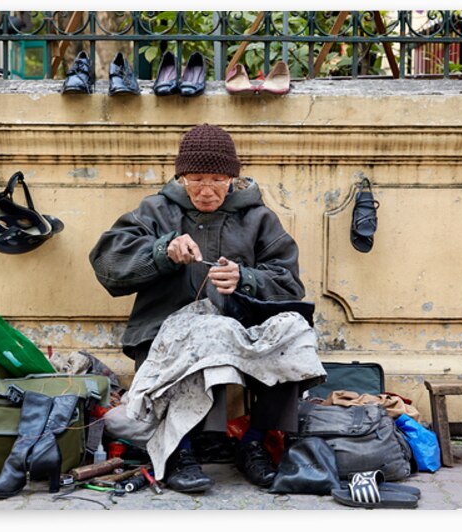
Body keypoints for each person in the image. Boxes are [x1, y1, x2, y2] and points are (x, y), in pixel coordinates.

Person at [89, 124, 312, 493]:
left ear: (232, 178)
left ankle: (254, 442)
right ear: (180, 177)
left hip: (240, 328)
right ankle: (182, 449)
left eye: (217, 179)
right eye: (196, 179)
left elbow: (288, 282)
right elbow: (108, 263)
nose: (207, 190)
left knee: (295, 330)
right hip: (165, 329)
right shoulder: (155, 210)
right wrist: (162, 252)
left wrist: (247, 279)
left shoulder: (258, 218)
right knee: (209, 332)